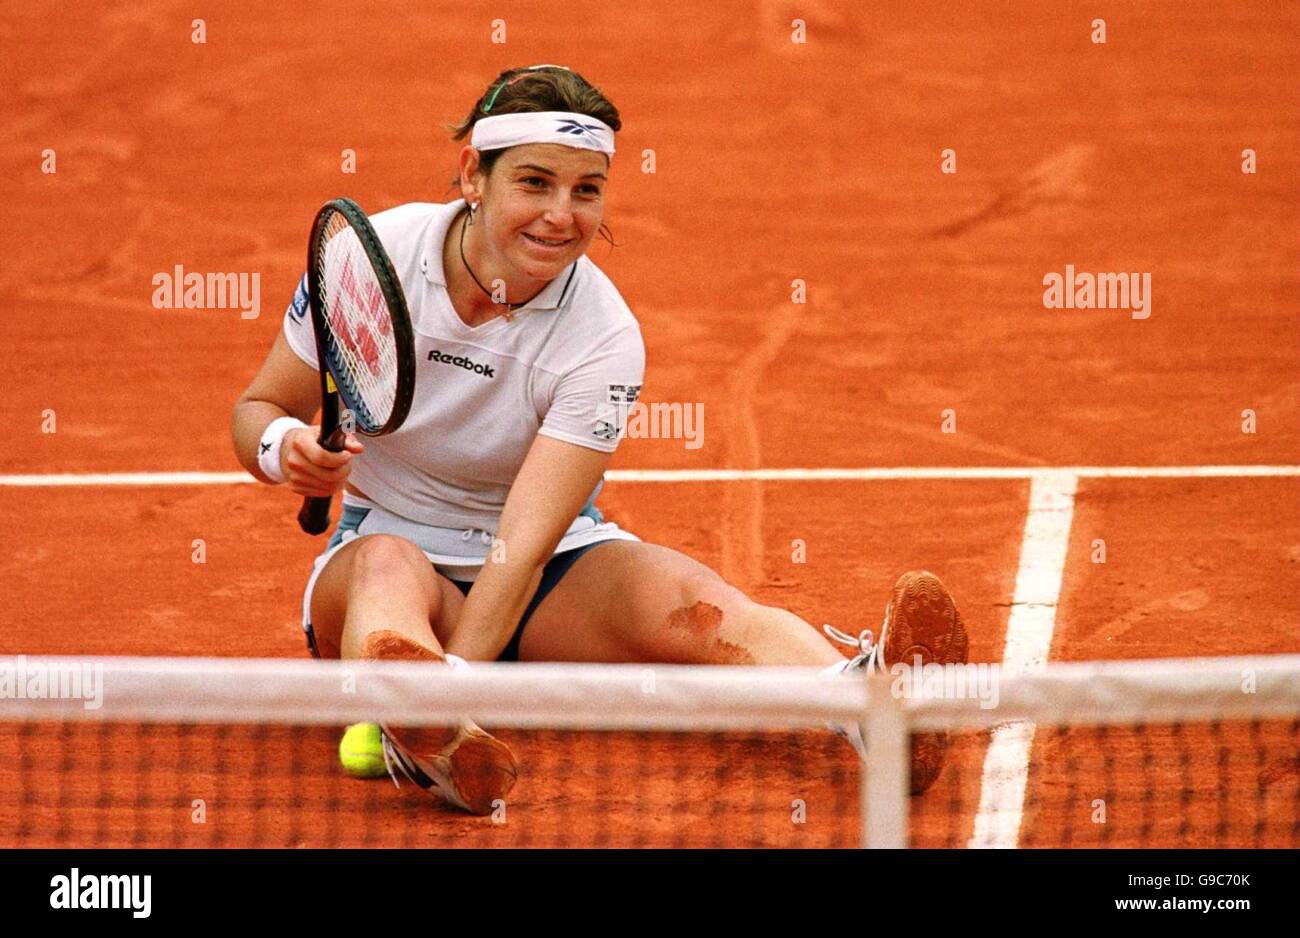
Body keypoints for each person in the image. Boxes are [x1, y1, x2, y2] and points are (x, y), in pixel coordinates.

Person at [231, 64, 968, 816]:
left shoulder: (604, 338)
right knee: (388, 563)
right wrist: (282, 446)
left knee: (696, 601)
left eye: (586, 190)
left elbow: (526, 539)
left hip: (545, 576)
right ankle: (421, 724)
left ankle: (877, 711)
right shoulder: (374, 256)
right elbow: (258, 407)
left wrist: (461, 680)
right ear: (472, 176)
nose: (561, 215)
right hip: (380, 557)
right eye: (535, 183)